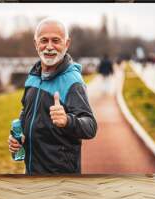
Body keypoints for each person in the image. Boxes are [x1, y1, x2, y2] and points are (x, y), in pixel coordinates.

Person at [8, 17, 97, 175]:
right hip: (31, 169)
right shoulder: (33, 75)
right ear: (36, 44)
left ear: (66, 44)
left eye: (56, 40)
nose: (49, 47)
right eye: (44, 40)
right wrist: (19, 136)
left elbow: (90, 126)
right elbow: (26, 110)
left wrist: (67, 121)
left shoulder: (72, 81)